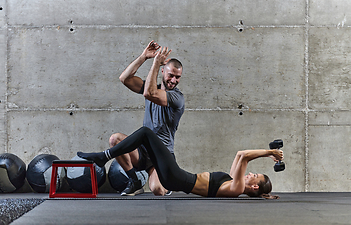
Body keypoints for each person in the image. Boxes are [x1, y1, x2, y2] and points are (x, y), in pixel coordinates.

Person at [78, 127, 283, 199]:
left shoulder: (237, 188)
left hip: (177, 178)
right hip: (177, 177)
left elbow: (244, 155)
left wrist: (269, 152)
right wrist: (269, 153)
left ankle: (103, 156)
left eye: (254, 176)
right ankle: (108, 157)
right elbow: (239, 156)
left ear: (254, 186)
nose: (250, 174)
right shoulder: (231, 182)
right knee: (146, 138)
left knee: (146, 133)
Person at [109, 41, 184, 196]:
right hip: (142, 151)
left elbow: (149, 94)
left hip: (162, 153)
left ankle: (168, 181)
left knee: (157, 189)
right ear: (163, 72)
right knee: (115, 140)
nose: (174, 80)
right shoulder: (150, 87)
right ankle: (134, 181)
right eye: (171, 75)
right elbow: (124, 78)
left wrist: (156, 64)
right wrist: (144, 57)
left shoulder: (177, 98)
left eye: (178, 77)